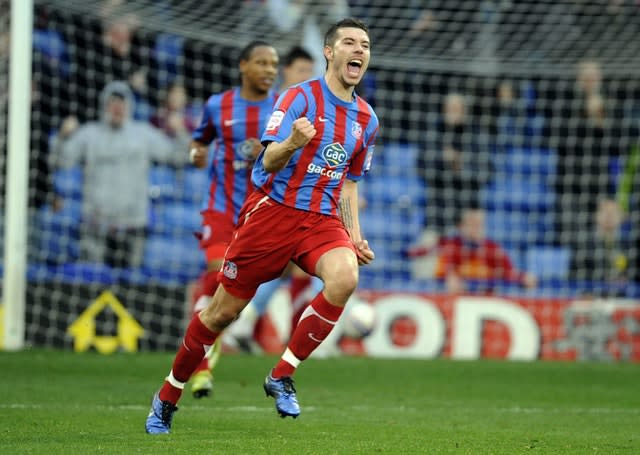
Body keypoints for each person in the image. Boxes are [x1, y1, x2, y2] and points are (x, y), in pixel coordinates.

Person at [146, 17, 378, 434]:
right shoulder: (298, 98)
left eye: (364, 44)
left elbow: (349, 184)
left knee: (345, 277)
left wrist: (355, 235)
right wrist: (292, 142)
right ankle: (167, 395)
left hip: (321, 219)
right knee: (220, 314)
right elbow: (267, 160)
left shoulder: (366, 119)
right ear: (330, 51)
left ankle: (281, 374)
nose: (358, 50)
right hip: (271, 213)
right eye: (349, 42)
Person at [185, 41, 280, 399]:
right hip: (222, 208)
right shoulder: (218, 105)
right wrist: (196, 154)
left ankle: (210, 343)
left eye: (273, 64)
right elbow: (199, 142)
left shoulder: (282, 107)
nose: (269, 69)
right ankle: (202, 365)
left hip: (260, 214)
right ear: (243, 65)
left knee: (225, 292)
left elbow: (297, 156)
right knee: (215, 274)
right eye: (261, 62)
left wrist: (274, 153)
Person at [223, 44, 317, 353]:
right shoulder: (270, 107)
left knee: (292, 263)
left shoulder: (314, 109)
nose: (307, 77)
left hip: (296, 200)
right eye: (301, 70)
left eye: (310, 71)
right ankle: (240, 324)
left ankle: (247, 324)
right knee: (283, 265)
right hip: (262, 199)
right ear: (285, 71)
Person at [52, 81, 190, 268]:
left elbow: (180, 157)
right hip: (96, 226)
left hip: (133, 226)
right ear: (104, 105)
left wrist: (181, 132)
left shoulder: (143, 134)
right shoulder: (89, 134)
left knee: (131, 286)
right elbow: (60, 161)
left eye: (122, 103)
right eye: (112, 102)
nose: (117, 108)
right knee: (94, 284)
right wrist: (62, 136)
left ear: (129, 106)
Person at [433, 208, 537, 294]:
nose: (476, 228)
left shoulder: (491, 248)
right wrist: (449, 276)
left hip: (485, 298)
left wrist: (523, 277)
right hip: (455, 297)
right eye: (472, 224)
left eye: (480, 224)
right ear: (461, 226)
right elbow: (440, 272)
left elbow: (508, 272)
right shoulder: (451, 245)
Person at [570, 198, 638, 296]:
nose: (608, 216)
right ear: (596, 216)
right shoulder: (583, 242)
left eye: (613, 213)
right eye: (605, 212)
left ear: (622, 217)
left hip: (623, 296)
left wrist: (625, 278)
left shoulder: (629, 243)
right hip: (592, 295)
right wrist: (606, 280)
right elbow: (574, 274)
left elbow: (634, 272)